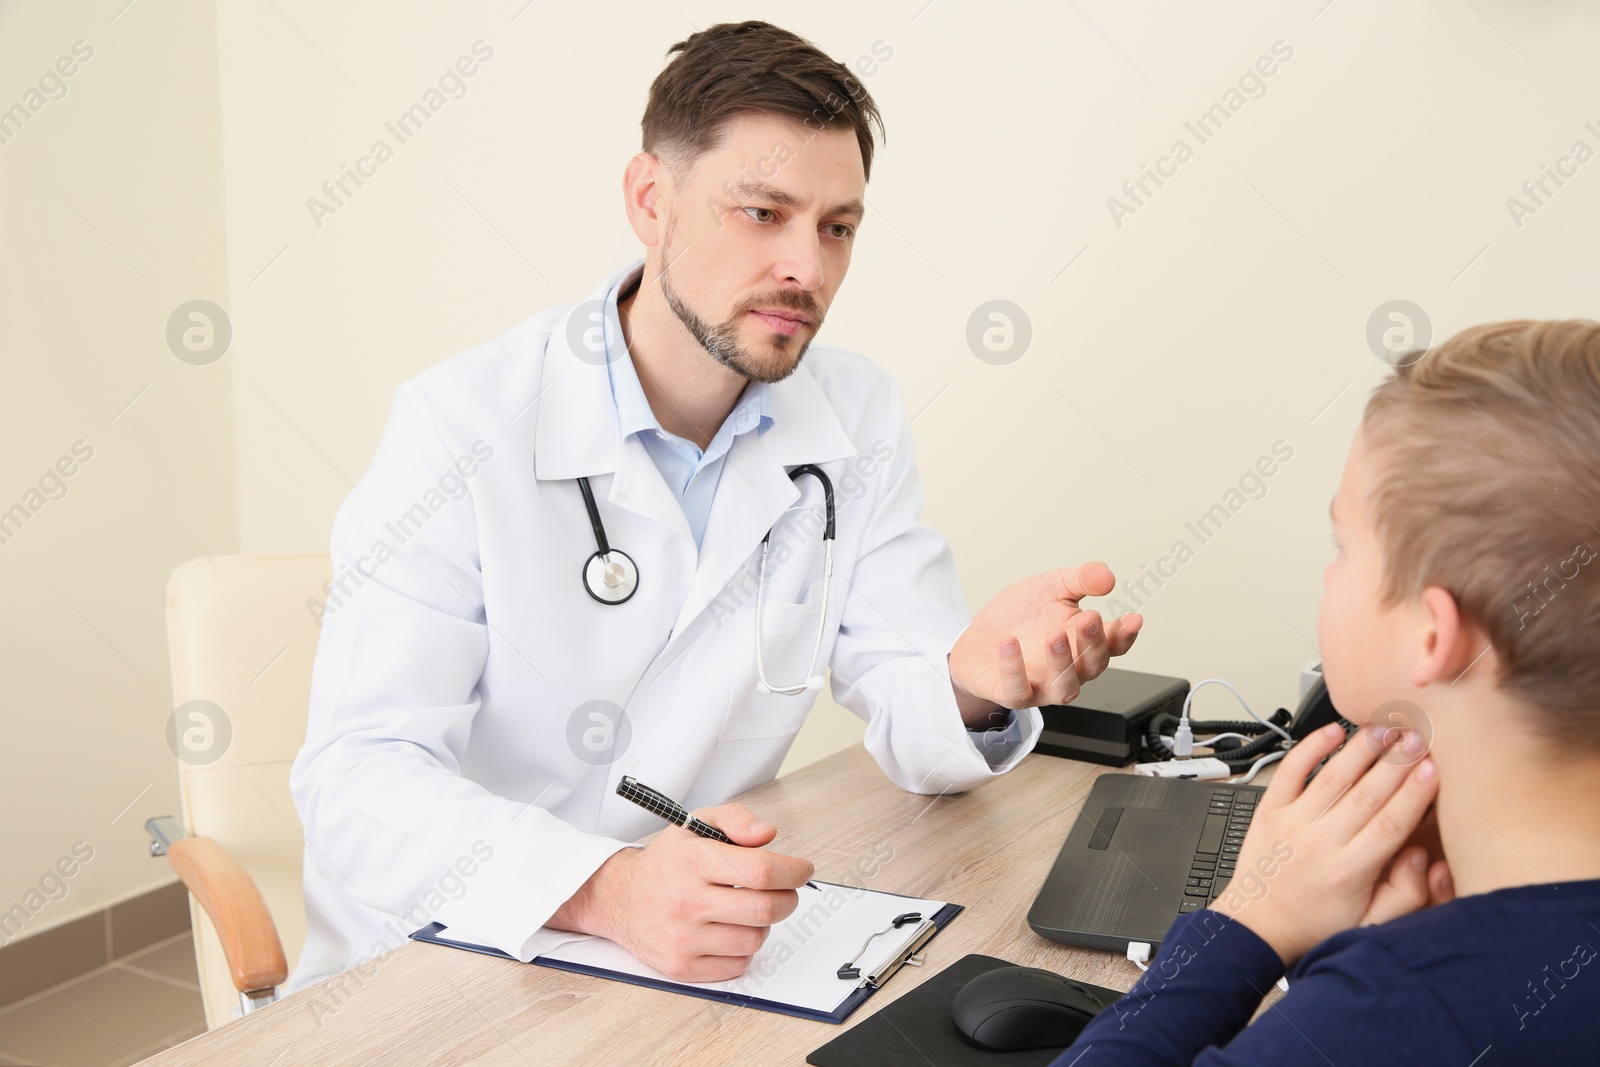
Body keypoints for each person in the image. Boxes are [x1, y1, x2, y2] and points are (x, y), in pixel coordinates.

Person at [286, 21, 1142, 991]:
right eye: (763, 212)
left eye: (837, 227)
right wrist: (608, 888)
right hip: (446, 954)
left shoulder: (853, 415)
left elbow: (913, 711)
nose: (807, 270)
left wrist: (976, 679)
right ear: (651, 200)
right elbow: (357, 782)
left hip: (693, 942)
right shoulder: (462, 424)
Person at [1055, 319, 1600, 1064]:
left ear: (1433, 636)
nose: (1327, 574)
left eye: (1344, 547)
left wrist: (1252, 922)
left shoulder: (1397, 1009)